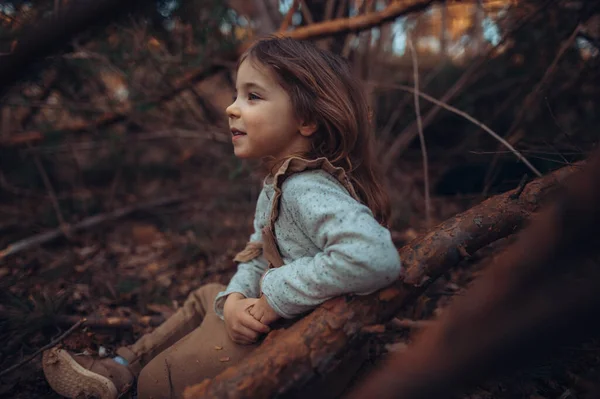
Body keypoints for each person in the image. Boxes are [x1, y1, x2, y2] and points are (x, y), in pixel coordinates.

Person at [42, 36, 402, 399]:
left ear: (306, 119)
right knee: (209, 296)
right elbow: (259, 256)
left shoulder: (307, 189)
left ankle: (135, 376)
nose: (231, 108)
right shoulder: (279, 185)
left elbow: (374, 258)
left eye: (253, 96)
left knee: (155, 385)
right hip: (285, 327)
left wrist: (271, 298)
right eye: (236, 95)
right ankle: (120, 369)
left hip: (306, 347)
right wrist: (234, 300)